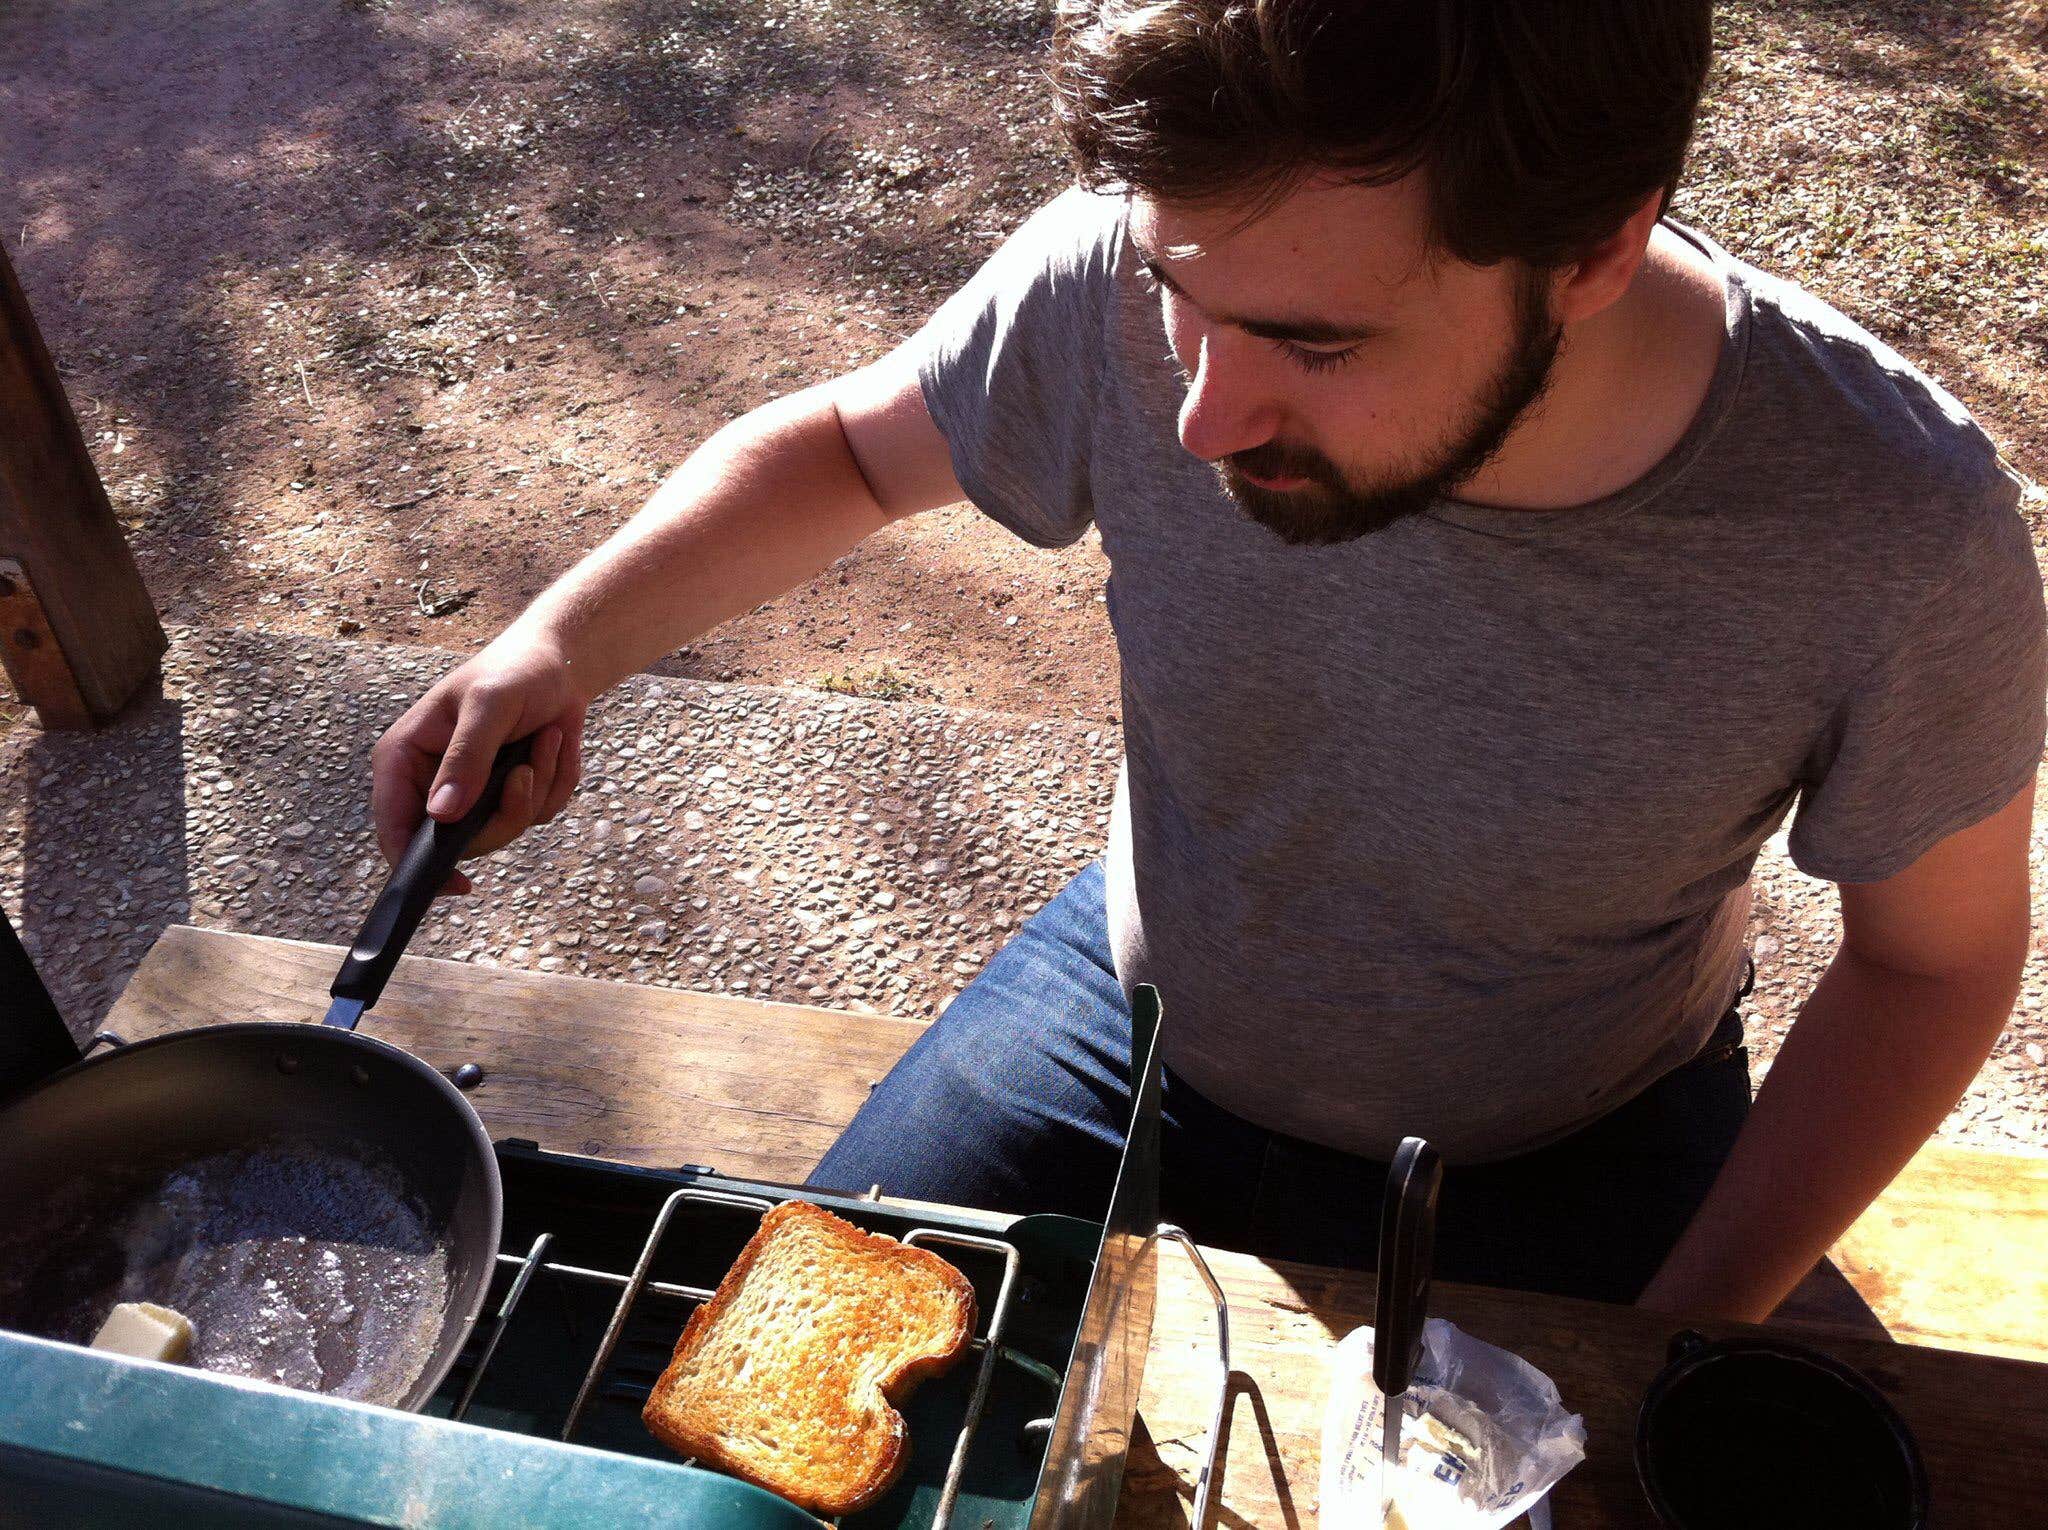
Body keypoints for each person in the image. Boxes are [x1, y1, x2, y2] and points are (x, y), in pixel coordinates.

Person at [370, 1, 2044, 1320]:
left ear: (1598, 247)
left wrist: (1684, 1327)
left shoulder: (1897, 523)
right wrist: (554, 643)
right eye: (1185, 291)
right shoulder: (1126, 271)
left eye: (1317, 343)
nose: (1201, 414)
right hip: (1124, 1018)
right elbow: (854, 449)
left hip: (1574, 1130)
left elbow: (1932, 965)